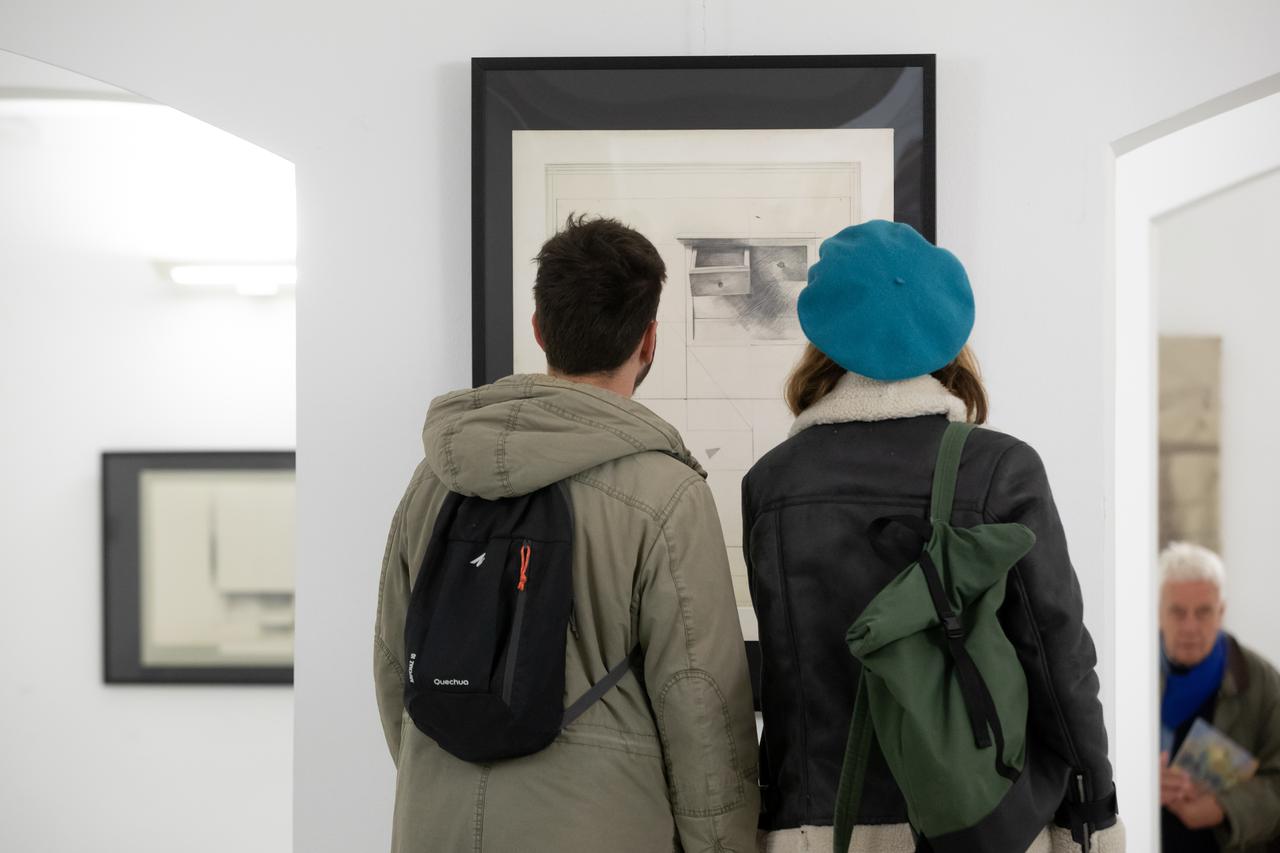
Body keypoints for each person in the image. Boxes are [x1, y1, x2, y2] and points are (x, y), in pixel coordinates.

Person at [372, 214, 758, 853]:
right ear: (649, 340)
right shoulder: (665, 493)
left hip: (432, 819)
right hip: (600, 824)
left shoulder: (434, 482)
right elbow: (699, 701)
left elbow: (394, 665)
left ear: (538, 329)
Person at [742, 220, 1122, 852]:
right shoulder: (1001, 469)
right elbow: (1059, 660)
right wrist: (1093, 812)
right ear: (946, 332)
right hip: (981, 821)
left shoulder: (773, 483)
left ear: (825, 336)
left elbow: (782, 676)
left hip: (817, 823)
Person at [1158, 542, 1280, 853]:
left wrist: (1224, 807)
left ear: (1221, 612)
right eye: (1177, 611)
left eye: (1203, 612)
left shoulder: (1261, 681)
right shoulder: (1128, 677)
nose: (1190, 626)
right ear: (1158, 612)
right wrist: (1139, 784)